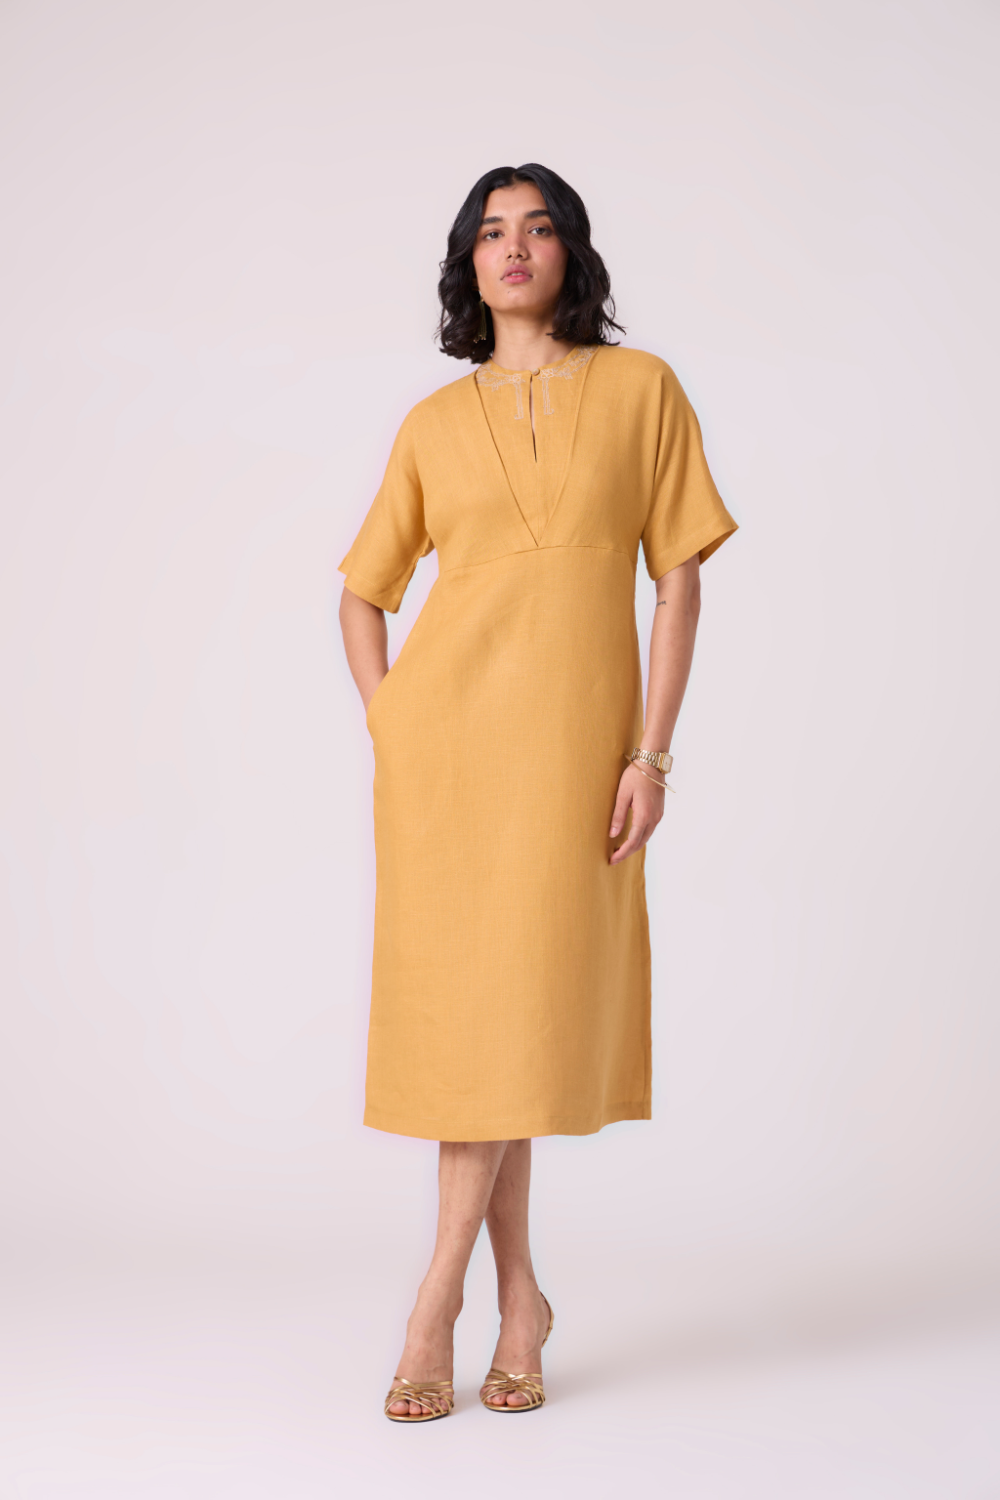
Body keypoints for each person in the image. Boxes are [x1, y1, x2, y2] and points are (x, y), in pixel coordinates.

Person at [338, 163, 737, 1421]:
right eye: (491, 233)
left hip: (571, 761)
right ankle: (502, 1303)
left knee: (515, 1021)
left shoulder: (641, 390)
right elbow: (363, 592)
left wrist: (650, 754)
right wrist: (392, 720)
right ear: (468, 263)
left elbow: (677, 579)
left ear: (570, 252)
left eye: (539, 227)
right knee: (478, 1029)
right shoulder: (430, 423)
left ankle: (449, 1297)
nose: (514, 247)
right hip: (447, 767)